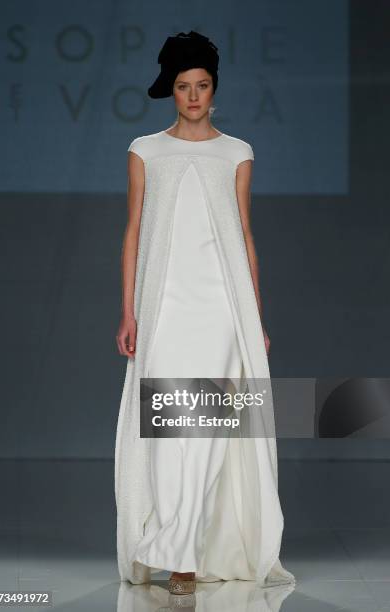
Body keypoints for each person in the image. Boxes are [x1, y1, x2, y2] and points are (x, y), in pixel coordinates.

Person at [114, 30, 296, 596]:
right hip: (164, 305)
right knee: (168, 427)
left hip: (221, 306)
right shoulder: (145, 150)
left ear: (214, 88)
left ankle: (184, 556)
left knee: (210, 429)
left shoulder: (236, 152)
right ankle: (175, 541)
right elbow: (134, 233)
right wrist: (128, 311)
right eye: (183, 86)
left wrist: (253, 315)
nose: (193, 96)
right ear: (171, 90)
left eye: (203, 86)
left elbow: (243, 233)